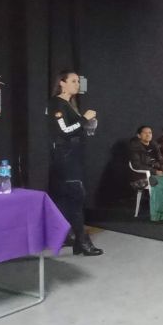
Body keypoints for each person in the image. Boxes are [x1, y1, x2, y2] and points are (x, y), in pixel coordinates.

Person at [47, 70, 103, 256]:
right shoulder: (57, 103)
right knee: (75, 197)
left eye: (78, 81)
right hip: (65, 157)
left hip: (72, 156)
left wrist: (87, 124)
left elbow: (74, 129)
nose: (77, 84)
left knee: (73, 198)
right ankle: (81, 241)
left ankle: (77, 239)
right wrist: (84, 119)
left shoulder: (69, 105)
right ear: (62, 83)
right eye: (73, 81)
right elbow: (64, 131)